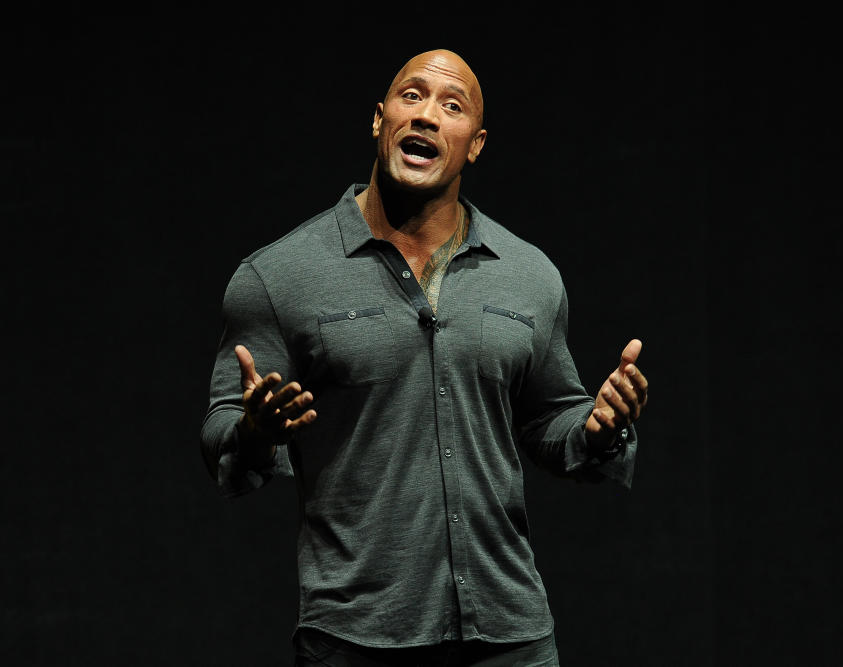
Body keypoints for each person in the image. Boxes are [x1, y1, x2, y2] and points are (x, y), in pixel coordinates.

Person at [201, 48, 649, 666]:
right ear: (379, 120)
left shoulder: (529, 275)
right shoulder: (278, 277)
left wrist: (600, 426)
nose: (428, 116)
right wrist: (254, 431)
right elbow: (221, 434)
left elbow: (552, 421)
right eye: (411, 97)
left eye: (452, 105)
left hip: (509, 637)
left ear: (476, 144)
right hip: (356, 640)